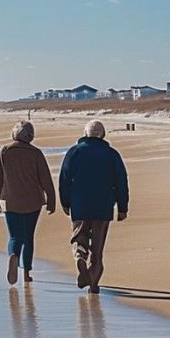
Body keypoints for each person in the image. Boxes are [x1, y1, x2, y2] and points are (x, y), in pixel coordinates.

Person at [59, 120, 129, 294]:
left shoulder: (74, 152)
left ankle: (80, 256)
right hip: (103, 206)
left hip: (80, 204)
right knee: (98, 249)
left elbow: (64, 179)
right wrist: (122, 207)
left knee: (79, 238)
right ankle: (94, 283)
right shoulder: (112, 154)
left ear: (85, 133)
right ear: (102, 135)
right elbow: (121, 181)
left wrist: (65, 202)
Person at [0, 120, 56, 285]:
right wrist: (51, 200)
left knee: (14, 236)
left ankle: (13, 255)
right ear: (31, 136)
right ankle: (26, 273)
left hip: (10, 200)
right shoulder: (36, 153)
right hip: (32, 202)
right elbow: (45, 179)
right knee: (28, 237)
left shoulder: (5, 151)